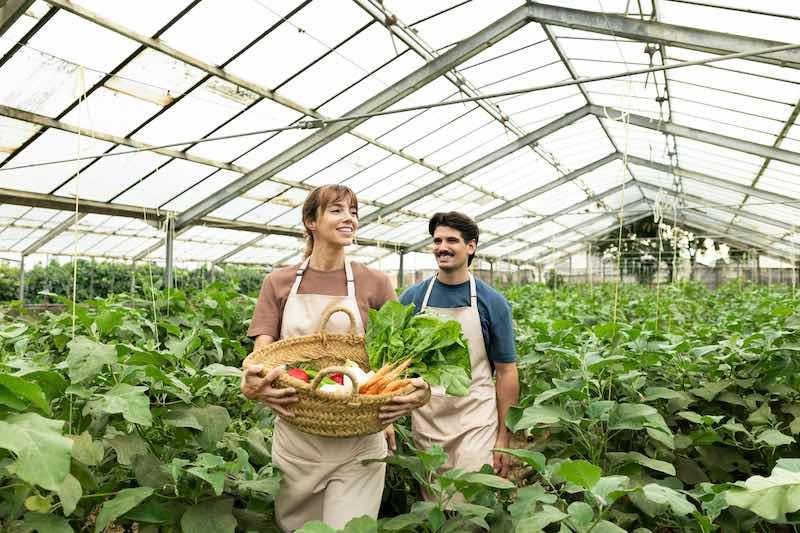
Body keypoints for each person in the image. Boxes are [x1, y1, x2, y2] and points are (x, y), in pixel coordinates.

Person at [240, 184, 430, 531]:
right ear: (311, 221)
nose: (350, 219)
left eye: (354, 212)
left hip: (359, 436)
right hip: (298, 435)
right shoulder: (279, 283)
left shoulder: (374, 282)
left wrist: (412, 393)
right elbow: (260, 359)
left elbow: (403, 358)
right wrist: (253, 385)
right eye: (337, 210)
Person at [400, 212, 519, 481]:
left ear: (471, 246)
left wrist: (504, 437)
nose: (442, 247)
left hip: (475, 416)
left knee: (470, 499)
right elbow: (398, 365)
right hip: (427, 416)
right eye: (437, 240)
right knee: (433, 502)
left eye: (451, 240)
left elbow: (506, 371)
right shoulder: (413, 297)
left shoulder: (492, 301)